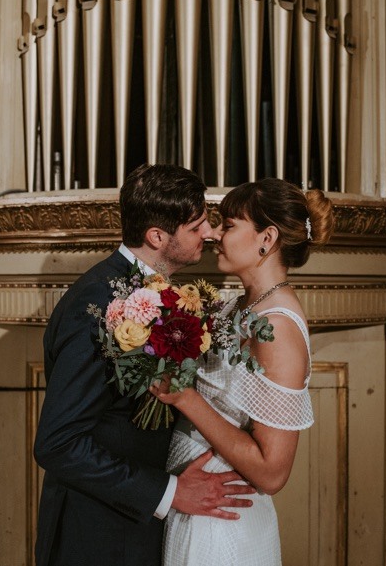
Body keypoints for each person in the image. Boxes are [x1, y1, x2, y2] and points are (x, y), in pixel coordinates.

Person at [34, 164, 256, 566]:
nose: (209, 234)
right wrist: (170, 493)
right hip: (97, 537)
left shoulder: (153, 292)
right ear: (157, 237)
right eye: (197, 226)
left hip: (134, 530)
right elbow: (58, 443)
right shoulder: (98, 305)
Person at [150, 178, 334, 565]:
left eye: (229, 225)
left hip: (226, 522)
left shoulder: (278, 327)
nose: (215, 233)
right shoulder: (234, 308)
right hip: (197, 507)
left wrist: (185, 397)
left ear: (266, 238)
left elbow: (272, 473)